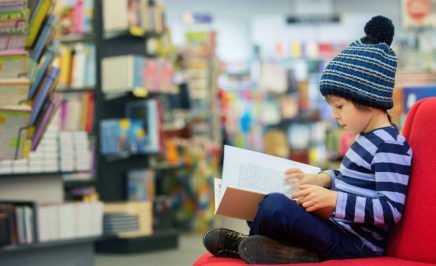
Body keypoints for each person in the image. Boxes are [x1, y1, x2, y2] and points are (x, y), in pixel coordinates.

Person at [202, 15, 413, 264]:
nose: (335, 115)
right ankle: (282, 250)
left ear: (369, 100)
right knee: (264, 202)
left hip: (355, 244)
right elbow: (351, 181)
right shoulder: (366, 138)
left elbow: (390, 210)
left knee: (276, 208)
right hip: (336, 227)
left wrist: (334, 200)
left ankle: (246, 246)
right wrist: (323, 178)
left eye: (340, 106)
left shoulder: (389, 146)